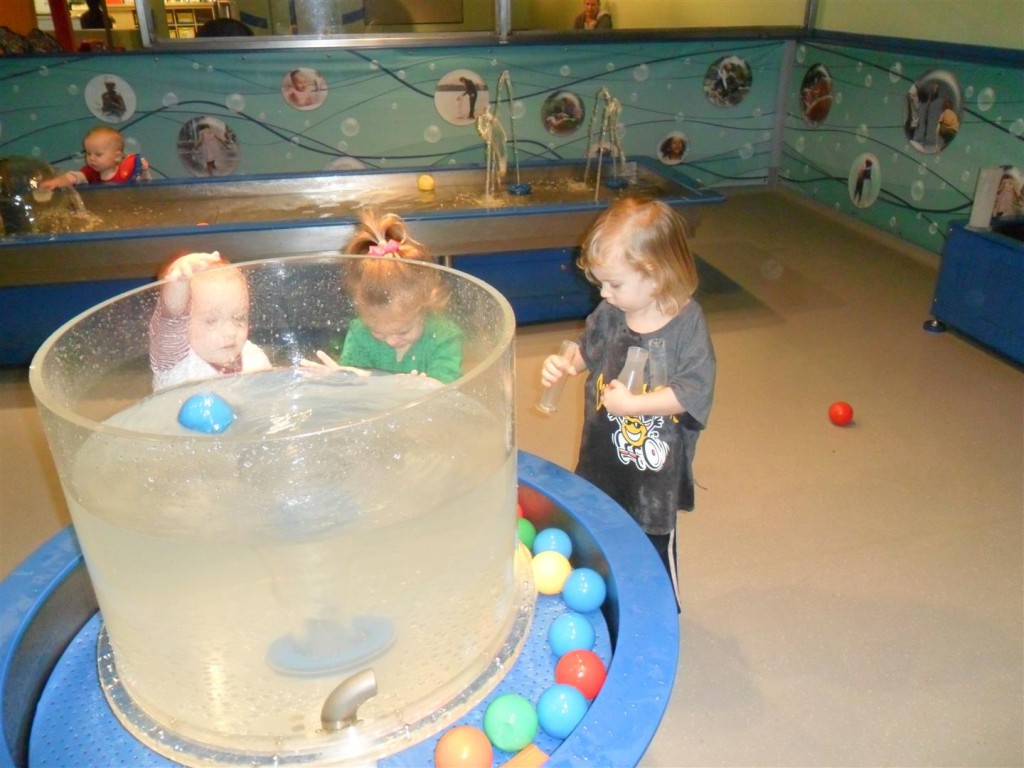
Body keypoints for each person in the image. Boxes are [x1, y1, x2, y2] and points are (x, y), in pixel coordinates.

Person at [539, 197, 715, 612]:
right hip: (602, 458)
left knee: (651, 550)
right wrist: (563, 365)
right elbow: (589, 351)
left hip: (653, 474)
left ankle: (657, 618)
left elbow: (693, 391)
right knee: (598, 531)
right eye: (601, 283)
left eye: (614, 284)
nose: (603, 293)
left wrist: (633, 406)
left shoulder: (685, 326)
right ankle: (606, 605)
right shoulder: (611, 312)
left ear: (654, 277)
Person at [309, 210, 463, 384]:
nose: (391, 340)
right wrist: (340, 378)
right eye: (378, 332)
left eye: (404, 331)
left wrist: (425, 387)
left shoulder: (443, 336)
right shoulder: (360, 333)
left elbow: (448, 389)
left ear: (426, 304)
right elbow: (353, 387)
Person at [149, 251, 271, 391]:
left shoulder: (254, 358)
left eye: (239, 318)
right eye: (212, 321)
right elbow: (172, 314)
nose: (230, 332)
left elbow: (274, 398)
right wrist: (179, 279)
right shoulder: (175, 359)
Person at [40, 125, 149, 189]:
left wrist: (144, 171)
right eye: (88, 153)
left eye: (98, 154)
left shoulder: (126, 171)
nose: (91, 158)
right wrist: (56, 182)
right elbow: (73, 177)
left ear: (117, 156)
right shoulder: (90, 172)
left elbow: (146, 186)